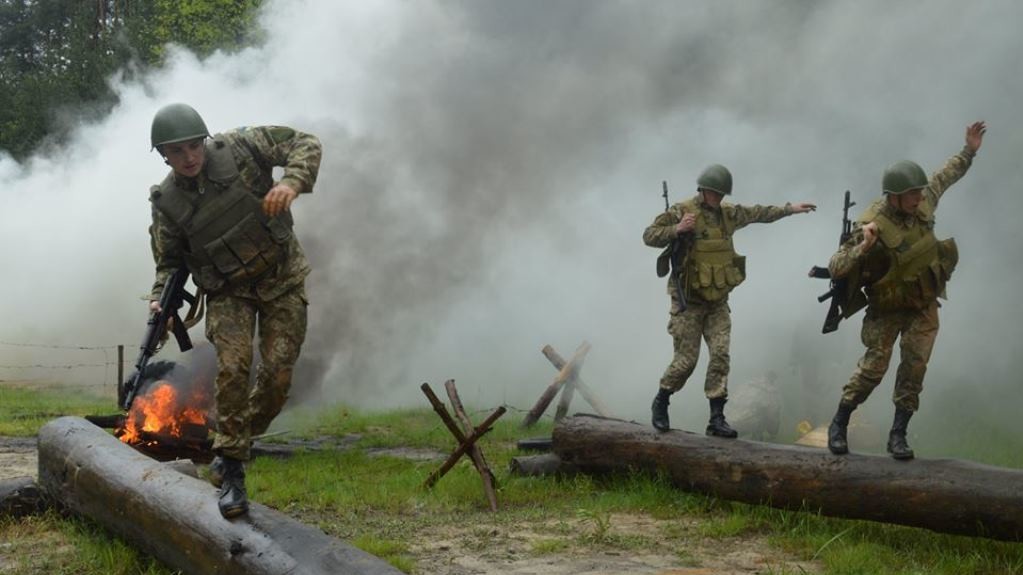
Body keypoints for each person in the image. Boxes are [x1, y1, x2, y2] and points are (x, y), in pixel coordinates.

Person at [147, 103, 321, 517]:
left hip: (281, 278)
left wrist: (292, 183)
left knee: (278, 376)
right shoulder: (166, 201)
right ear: (164, 155)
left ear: (204, 142)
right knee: (234, 367)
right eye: (177, 151)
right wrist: (159, 298)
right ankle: (234, 473)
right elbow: (169, 262)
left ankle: (230, 447)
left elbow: (305, 143)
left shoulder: (242, 146)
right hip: (228, 291)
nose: (189, 157)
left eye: (194, 146)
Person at [826, 121, 986, 460]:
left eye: (919, 192)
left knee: (914, 369)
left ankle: (897, 435)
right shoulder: (873, 224)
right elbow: (837, 266)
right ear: (895, 196)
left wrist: (969, 150)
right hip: (887, 308)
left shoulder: (923, 201)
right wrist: (863, 247)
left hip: (923, 305)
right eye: (913, 194)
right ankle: (840, 422)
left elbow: (945, 175)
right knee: (873, 369)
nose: (919, 198)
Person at [644, 165, 816, 436]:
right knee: (686, 361)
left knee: (720, 356)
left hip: (717, 301)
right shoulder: (683, 210)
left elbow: (758, 213)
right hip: (689, 301)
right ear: (703, 190)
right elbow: (649, 235)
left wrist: (789, 209)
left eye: (721, 193)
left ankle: (717, 417)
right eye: (714, 192)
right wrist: (677, 229)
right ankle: (662, 400)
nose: (718, 198)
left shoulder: (728, 214)